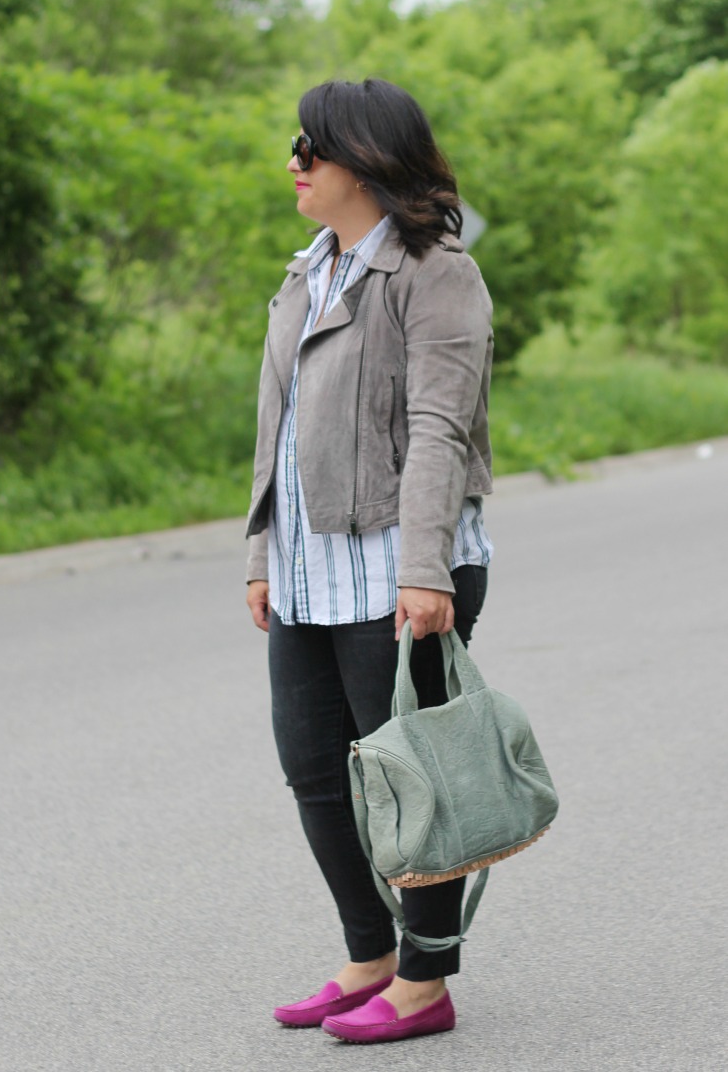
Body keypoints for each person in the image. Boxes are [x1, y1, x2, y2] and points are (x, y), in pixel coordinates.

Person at [245, 77, 494, 1044]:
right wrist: (262, 553)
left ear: (366, 156)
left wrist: (427, 569)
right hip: (309, 573)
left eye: (311, 147)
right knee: (315, 769)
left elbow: (438, 426)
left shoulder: (435, 272)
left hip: (399, 570)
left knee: (411, 775)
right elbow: (278, 424)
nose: (295, 163)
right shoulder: (308, 271)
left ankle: (427, 984)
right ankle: (369, 956)